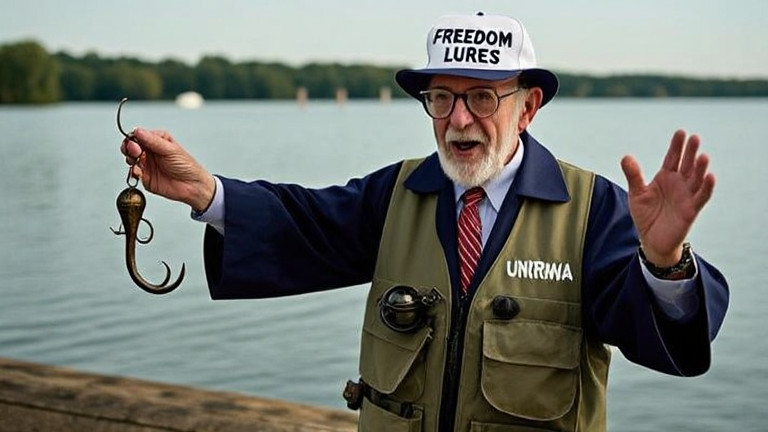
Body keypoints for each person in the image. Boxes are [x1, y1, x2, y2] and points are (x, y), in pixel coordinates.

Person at [120, 12, 729, 432]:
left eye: (482, 98)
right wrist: (203, 191)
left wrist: (664, 261)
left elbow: (660, 336)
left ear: (528, 108)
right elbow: (305, 224)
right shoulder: (399, 191)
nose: (459, 120)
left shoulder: (592, 207)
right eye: (442, 97)